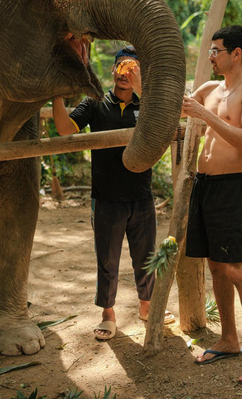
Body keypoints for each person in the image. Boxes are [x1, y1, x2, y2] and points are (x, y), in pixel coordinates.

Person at [52, 45, 174, 341]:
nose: (124, 73)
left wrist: (141, 86)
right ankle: (108, 314)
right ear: (112, 70)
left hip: (141, 197)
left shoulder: (146, 107)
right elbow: (65, 129)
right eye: (121, 66)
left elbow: (163, 122)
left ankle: (146, 306)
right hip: (105, 198)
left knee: (145, 256)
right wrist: (56, 93)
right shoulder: (95, 104)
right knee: (107, 260)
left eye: (132, 68)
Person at [181, 25, 242, 385]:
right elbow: (174, 104)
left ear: (236, 54)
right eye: (210, 51)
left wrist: (206, 117)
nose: (211, 57)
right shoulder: (208, 90)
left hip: (231, 188)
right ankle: (229, 339)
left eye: (216, 50)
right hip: (204, 186)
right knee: (216, 267)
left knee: (236, 269)